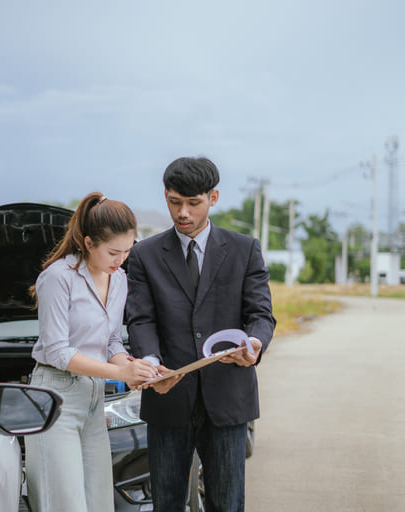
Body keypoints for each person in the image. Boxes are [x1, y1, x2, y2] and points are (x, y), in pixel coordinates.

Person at [126, 157, 276, 512]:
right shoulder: (144, 254)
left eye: (193, 203)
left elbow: (261, 315)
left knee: (227, 503)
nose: (183, 212)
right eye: (175, 202)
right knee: (167, 504)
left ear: (214, 198)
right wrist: (150, 364)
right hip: (168, 396)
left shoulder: (244, 249)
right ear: (165, 196)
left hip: (228, 395)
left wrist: (253, 345)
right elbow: (140, 319)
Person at [24, 191, 159, 512]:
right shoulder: (58, 278)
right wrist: (119, 373)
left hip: (94, 398)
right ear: (88, 242)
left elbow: (111, 340)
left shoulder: (120, 279)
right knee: (65, 505)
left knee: (100, 503)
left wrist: (133, 367)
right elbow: (57, 351)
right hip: (54, 397)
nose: (121, 259)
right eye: (114, 252)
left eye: (127, 251)